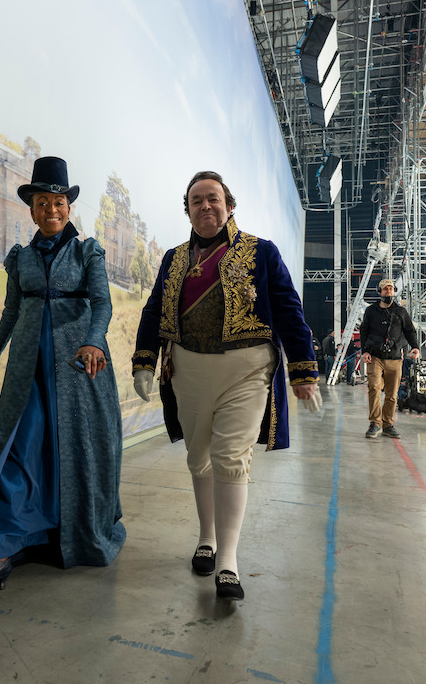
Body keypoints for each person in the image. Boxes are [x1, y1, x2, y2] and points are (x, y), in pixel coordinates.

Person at [131, 171, 320, 602]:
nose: (205, 206)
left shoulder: (262, 252)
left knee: (230, 456)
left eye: (213, 198)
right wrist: (145, 360)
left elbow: (290, 310)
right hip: (188, 369)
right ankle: (206, 538)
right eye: (196, 200)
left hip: (246, 370)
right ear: (189, 209)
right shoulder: (174, 259)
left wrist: (304, 372)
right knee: (199, 456)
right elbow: (154, 309)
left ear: (229, 205)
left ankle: (228, 561)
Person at [0, 157, 125, 591]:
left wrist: (94, 340)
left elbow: (102, 303)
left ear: (69, 206)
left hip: (77, 372)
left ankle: (66, 532)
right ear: (31, 208)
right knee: (18, 455)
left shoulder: (87, 252)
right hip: (27, 373)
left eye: (58, 201)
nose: (51, 210)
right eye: (42, 202)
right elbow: (12, 310)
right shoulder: (20, 259)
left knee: (74, 450)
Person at [359, 279, 420, 439]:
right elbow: (364, 331)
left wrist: (415, 347)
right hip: (375, 357)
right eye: (385, 290)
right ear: (379, 292)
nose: (388, 292)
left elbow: (409, 330)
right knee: (374, 389)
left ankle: (387, 424)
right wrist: (364, 351)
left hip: (394, 358)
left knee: (392, 394)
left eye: (391, 289)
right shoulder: (371, 311)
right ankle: (375, 423)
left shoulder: (400, 312)